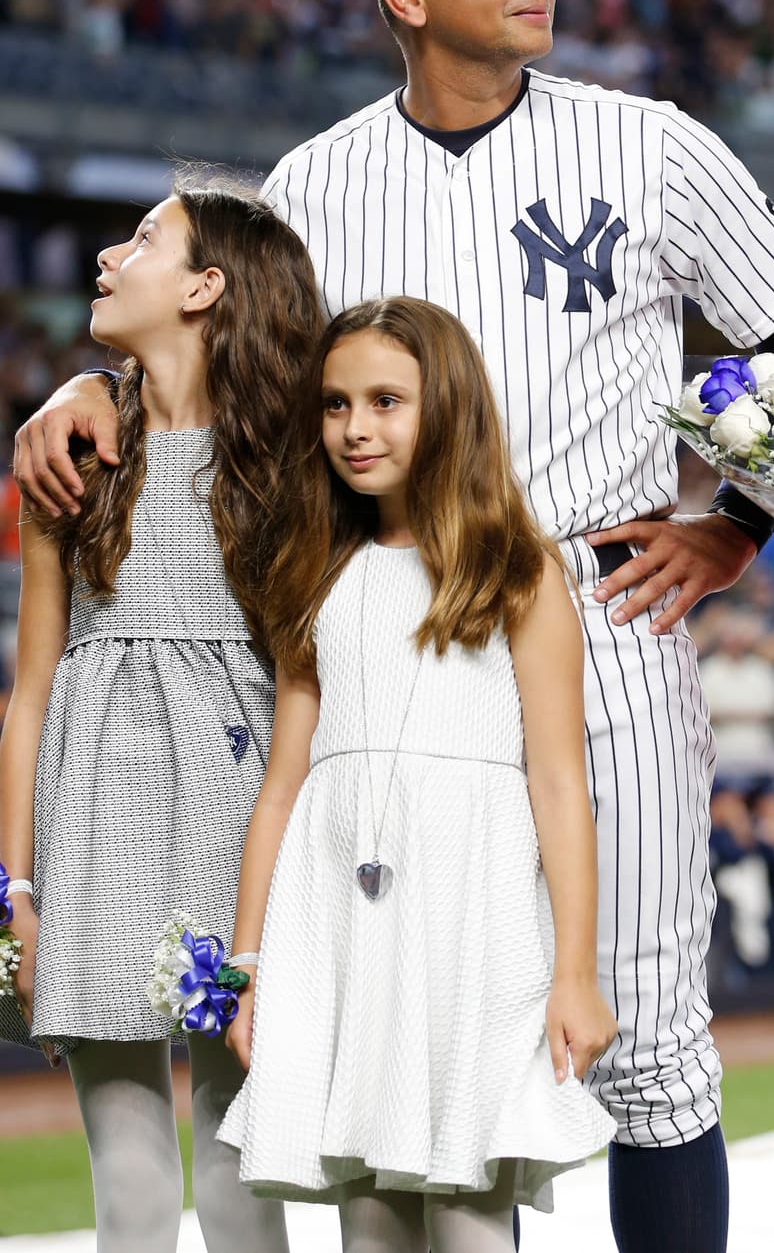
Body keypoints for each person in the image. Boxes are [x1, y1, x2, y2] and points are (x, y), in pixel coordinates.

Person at [11, 0, 774, 1249]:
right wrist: (88, 387)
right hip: (387, 625)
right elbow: (205, 361)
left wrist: (741, 527)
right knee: (418, 1040)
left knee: (646, 1045)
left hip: (600, 602)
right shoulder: (313, 182)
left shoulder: (648, 143)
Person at [218, 296, 618, 1252]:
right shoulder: (316, 569)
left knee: (474, 1216)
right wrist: (250, 960)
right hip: (342, 925)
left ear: (449, 407)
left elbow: (559, 783)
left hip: (472, 920)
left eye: (386, 400)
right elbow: (284, 781)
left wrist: (574, 972)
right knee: (369, 1212)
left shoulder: (518, 570)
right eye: (336, 404)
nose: (355, 428)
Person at [0, 182, 323, 1253]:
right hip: (89, 828)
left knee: (241, 1181)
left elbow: (300, 691)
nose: (106, 256)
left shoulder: (286, 463)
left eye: (142, 239)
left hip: (237, 833)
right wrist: (18, 889)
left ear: (205, 286)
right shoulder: (73, 457)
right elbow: (31, 691)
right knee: (127, 1188)